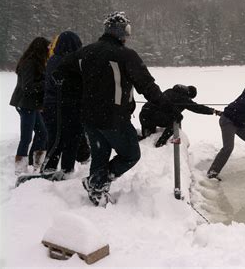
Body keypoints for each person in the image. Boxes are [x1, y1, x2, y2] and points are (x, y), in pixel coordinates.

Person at [56, 11, 169, 206]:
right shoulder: (125, 55)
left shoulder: (86, 52)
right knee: (131, 155)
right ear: (119, 32)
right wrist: (166, 105)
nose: (128, 36)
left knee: (100, 155)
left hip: (89, 117)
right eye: (127, 31)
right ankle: (97, 182)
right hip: (113, 118)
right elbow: (146, 85)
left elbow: (59, 72)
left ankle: (97, 195)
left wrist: (80, 91)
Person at [42, 31, 84, 178]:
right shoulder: (68, 62)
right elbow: (74, 86)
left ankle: (51, 168)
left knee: (56, 139)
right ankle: (64, 170)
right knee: (70, 139)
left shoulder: (53, 60)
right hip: (65, 107)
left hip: (52, 106)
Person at [10, 37, 50, 175]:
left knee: (42, 133)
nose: (49, 51)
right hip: (25, 104)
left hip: (31, 105)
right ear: (41, 49)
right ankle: (20, 169)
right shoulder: (29, 63)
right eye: (47, 48)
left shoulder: (37, 62)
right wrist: (46, 83)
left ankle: (35, 165)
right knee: (26, 137)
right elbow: (27, 87)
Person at [139, 84, 222, 147]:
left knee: (147, 138)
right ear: (189, 95)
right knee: (177, 118)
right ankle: (161, 142)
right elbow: (197, 108)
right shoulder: (183, 98)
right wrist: (213, 111)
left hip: (144, 115)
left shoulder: (170, 91)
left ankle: (144, 137)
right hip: (153, 116)